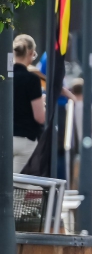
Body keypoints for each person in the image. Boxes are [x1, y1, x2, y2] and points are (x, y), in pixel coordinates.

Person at [13, 34, 45, 173]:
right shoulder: (32, 79)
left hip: (4, 138)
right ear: (31, 54)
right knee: (19, 186)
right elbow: (40, 117)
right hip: (25, 139)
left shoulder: (4, 78)